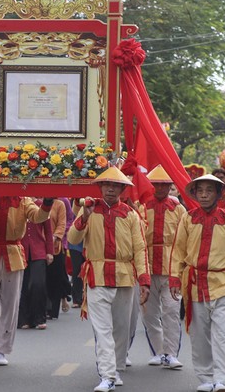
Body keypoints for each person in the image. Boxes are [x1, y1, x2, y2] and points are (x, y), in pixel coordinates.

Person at [67, 167, 151, 391]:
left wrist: (144, 280)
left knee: (122, 327)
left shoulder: (131, 214)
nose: (111, 189)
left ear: (123, 189)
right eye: (106, 185)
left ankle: (117, 366)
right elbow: (72, 238)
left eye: (115, 186)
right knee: (103, 329)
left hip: (124, 275)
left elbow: (140, 248)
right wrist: (83, 217)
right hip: (96, 274)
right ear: (100, 187)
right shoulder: (88, 209)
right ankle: (108, 374)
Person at [170, 174, 225, 392]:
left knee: (223, 334)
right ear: (194, 193)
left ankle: (222, 380)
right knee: (199, 334)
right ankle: (205, 378)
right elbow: (178, 251)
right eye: (200, 190)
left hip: (223, 284)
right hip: (194, 285)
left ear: (218, 193)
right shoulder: (187, 218)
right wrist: (175, 278)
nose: (204, 194)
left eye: (209, 190)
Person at [0, 194, 53, 367]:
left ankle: (2, 350)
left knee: (10, 306)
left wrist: (48, 201)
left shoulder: (23, 200)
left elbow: (38, 217)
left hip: (13, 256)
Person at [142, 165, 186, 369]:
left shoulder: (178, 208)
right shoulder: (142, 206)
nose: (160, 188)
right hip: (147, 266)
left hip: (172, 267)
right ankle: (158, 352)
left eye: (164, 185)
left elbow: (185, 238)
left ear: (170, 186)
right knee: (149, 313)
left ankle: (171, 353)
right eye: (156, 184)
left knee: (171, 310)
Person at [18, 200, 54, 330]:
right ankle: (23, 319)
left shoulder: (42, 204)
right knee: (22, 286)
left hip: (38, 250)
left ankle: (39, 317)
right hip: (20, 251)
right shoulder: (19, 203)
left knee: (38, 284)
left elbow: (48, 231)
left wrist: (50, 251)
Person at [46, 197, 73, 320]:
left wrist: (56, 236)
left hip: (57, 245)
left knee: (57, 276)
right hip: (40, 245)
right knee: (42, 277)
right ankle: (44, 306)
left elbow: (66, 221)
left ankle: (54, 308)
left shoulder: (62, 202)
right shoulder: (33, 201)